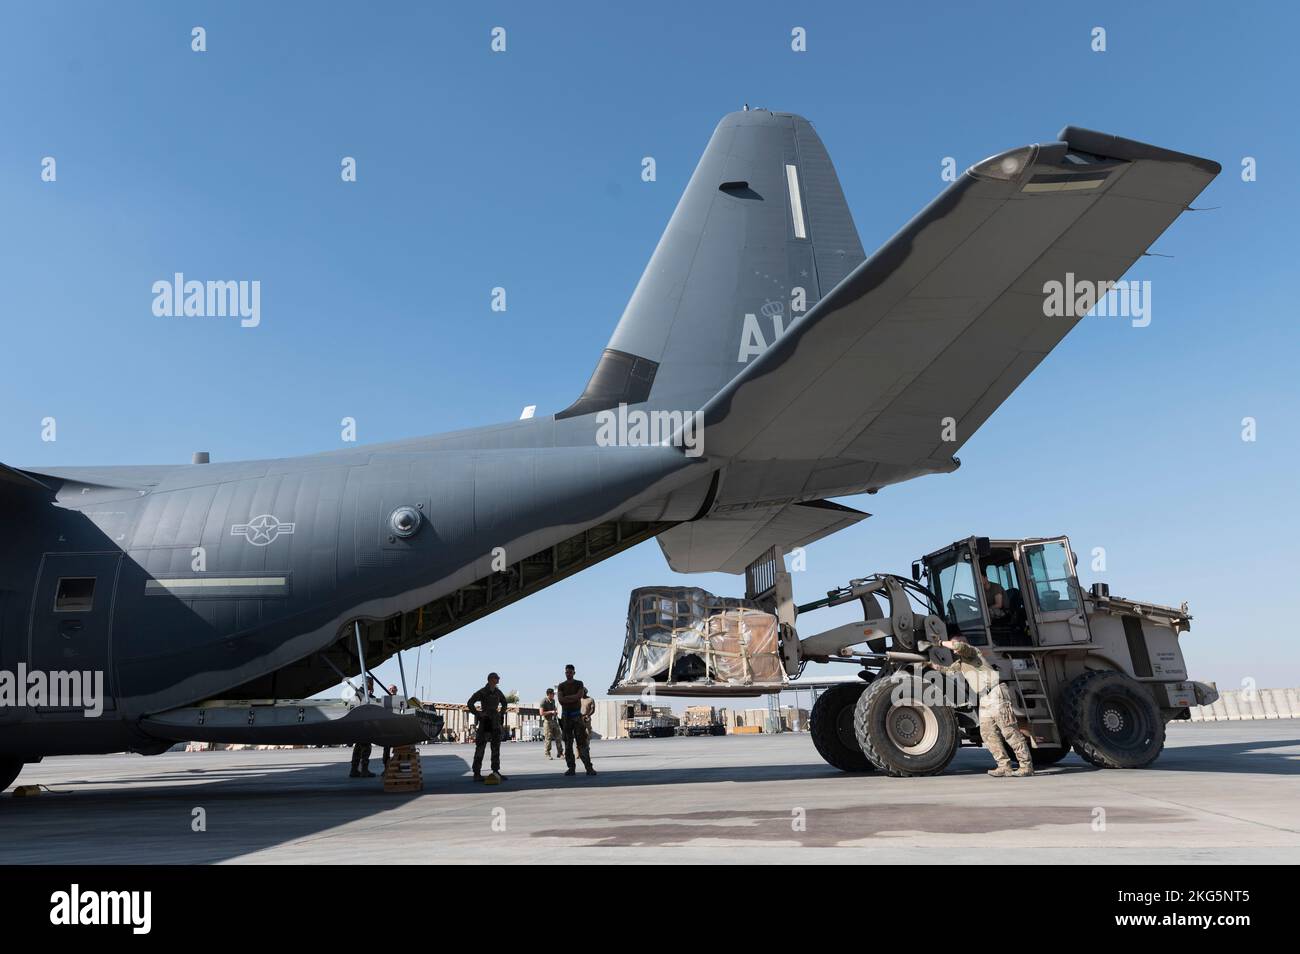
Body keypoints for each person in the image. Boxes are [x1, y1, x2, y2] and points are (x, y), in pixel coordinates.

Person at [938, 639, 1032, 777]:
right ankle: (1004, 766)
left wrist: (940, 642)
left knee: (1009, 731)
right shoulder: (961, 663)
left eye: (954, 644)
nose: (953, 648)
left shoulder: (972, 652)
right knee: (988, 733)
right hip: (984, 698)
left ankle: (1026, 766)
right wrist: (929, 665)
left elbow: (958, 645)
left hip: (995, 693)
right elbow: (947, 671)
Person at [467, 672, 510, 782]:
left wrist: (501, 713)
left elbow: (504, 703)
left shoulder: (498, 692)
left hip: (495, 723)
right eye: (496, 678)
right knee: (480, 747)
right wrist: (478, 713)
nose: (498, 679)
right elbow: (470, 702)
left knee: (496, 748)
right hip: (485, 722)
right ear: (491, 679)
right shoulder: (483, 691)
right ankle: (477, 773)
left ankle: (495, 771)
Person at [556, 665, 596, 776]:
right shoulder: (561, 686)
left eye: (570, 672)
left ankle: (589, 768)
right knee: (568, 745)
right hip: (566, 717)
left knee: (582, 743)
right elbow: (560, 700)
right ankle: (571, 768)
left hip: (577, 717)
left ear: (574, 672)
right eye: (566, 672)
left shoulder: (579, 684)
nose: (568, 674)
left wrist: (567, 698)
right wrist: (572, 698)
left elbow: (578, 696)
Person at [346, 676, 379, 778]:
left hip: (358, 725)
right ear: (367, 683)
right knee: (366, 748)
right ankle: (364, 770)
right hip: (363, 725)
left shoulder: (361, 692)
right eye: (371, 683)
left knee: (358, 747)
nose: (372, 685)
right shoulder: (361, 693)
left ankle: (354, 770)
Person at [539, 688, 564, 760]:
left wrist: (555, 712)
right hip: (547, 722)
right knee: (548, 738)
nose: (554, 695)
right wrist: (551, 712)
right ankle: (547, 753)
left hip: (554, 721)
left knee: (558, 737)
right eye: (553, 694)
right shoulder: (543, 701)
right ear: (549, 694)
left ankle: (560, 753)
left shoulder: (553, 701)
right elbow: (541, 713)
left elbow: (554, 708)